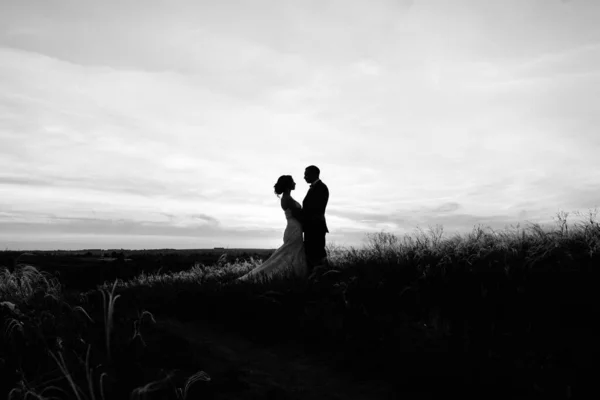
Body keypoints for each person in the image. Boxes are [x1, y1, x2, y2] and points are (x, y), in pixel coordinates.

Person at [236, 175, 308, 282]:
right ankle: (289, 274)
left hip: (293, 228)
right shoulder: (287, 199)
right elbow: (298, 214)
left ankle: (293, 274)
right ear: (288, 185)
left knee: (293, 253)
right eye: (293, 182)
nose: (295, 183)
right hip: (294, 229)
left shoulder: (287, 198)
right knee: (291, 253)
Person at [302, 165, 329, 277]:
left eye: (306, 174)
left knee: (317, 254)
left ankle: (321, 277)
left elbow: (316, 209)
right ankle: (314, 278)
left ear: (314, 174)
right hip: (311, 227)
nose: (304, 177)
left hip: (315, 227)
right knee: (311, 255)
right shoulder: (315, 187)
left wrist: (298, 215)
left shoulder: (321, 188)